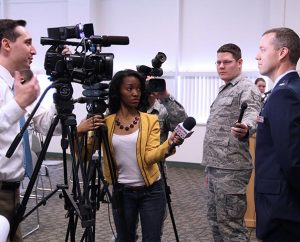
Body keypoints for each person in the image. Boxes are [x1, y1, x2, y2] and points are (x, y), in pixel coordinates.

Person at [100, 69, 183, 242]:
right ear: (118, 91)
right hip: (122, 191)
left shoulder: (152, 116)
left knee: (153, 238)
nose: (136, 93)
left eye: (139, 88)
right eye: (130, 88)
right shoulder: (106, 122)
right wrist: (79, 130)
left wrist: (170, 143)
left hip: (152, 188)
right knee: (125, 238)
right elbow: (83, 153)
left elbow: (149, 156)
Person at [0, 19, 60, 241]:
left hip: (13, 191)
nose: (34, 50)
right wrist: (19, 104)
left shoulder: (19, 84)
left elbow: (47, 124)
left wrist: (61, 92)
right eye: (28, 43)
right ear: (7, 44)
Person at [202, 43, 261, 241]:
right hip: (216, 167)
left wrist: (246, 127)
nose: (221, 66)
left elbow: (252, 111)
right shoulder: (225, 89)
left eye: (226, 62)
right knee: (215, 222)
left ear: (240, 62)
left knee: (231, 228)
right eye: (218, 62)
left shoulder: (247, 88)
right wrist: (209, 169)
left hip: (231, 170)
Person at [254, 27, 300, 242]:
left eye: (263, 49)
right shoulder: (290, 88)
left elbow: (292, 161)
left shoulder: (284, 94)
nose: (257, 55)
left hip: (282, 206)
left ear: (282, 52)